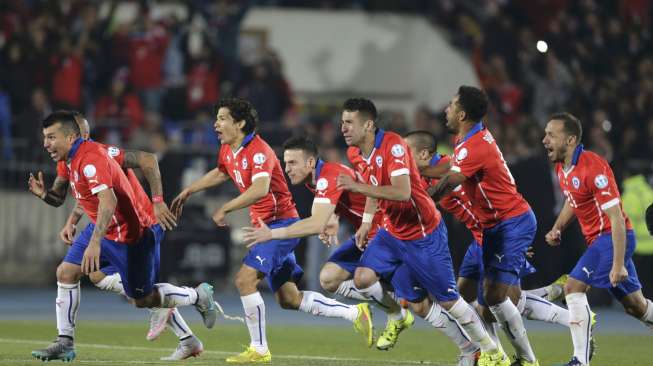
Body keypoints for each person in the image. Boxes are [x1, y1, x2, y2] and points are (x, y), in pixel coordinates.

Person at [242, 136, 479, 363]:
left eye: (292, 162)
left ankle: (468, 346)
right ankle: (396, 312)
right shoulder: (318, 179)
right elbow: (345, 199)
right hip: (366, 236)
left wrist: (271, 234)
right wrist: (333, 217)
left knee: (419, 304)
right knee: (329, 278)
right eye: (285, 163)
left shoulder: (329, 175)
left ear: (311, 162)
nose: (287, 169)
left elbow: (318, 221)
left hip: (388, 234)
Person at [170, 98, 372, 364]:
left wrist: (226, 207)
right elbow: (221, 172)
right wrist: (189, 190)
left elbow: (260, 188)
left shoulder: (258, 151)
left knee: (244, 280)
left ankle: (259, 349)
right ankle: (355, 313)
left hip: (281, 224)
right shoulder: (229, 150)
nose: (215, 124)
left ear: (240, 123)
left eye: (222, 118)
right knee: (289, 298)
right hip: (264, 227)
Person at [30, 111, 217, 362]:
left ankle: (196, 296)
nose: (46, 144)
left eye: (51, 137)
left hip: (131, 233)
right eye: (45, 138)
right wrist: (51, 201)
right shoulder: (67, 160)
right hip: (104, 226)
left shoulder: (94, 157)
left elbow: (111, 197)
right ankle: (65, 341)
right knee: (69, 272)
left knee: (142, 298)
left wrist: (157, 201)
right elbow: (71, 195)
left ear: (73, 137)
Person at [335, 98, 510, 366]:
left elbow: (402, 192)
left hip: (423, 234)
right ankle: (400, 318)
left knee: (451, 302)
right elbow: (374, 184)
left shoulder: (393, 145)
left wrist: (357, 189)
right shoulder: (356, 153)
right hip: (392, 233)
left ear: (368, 125)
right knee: (363, 278)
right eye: (342, 122)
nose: (343, 128)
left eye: (349, 122)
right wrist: (368, 221)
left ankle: (492, 352)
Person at [405, 130, 576, 353]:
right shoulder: (424, 176)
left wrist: (512, 240)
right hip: (479, 240)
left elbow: (487, 200)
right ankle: (549, 296)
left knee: (502, 302)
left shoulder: (453, 169)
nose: (402, 159)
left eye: (406, 153)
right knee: (469, 303)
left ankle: (573, 320)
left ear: (424, 155)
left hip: (495, 236)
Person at [431, 87, 539, 366]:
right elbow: (450, 171)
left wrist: (424, 200)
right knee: (465, 294)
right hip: (491, 227)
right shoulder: (466, 139)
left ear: (462, 113)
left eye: (452, 105)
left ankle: (525, 360)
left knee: (493, 296)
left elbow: (451, 181)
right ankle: (489, 353)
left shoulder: (474, 144)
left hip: (510, 223)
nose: (447, 109)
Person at [542, 112, 653, 366]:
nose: (544, 139)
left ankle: (580, 361)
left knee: (572, 288)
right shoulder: (563, 168)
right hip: (599, 242)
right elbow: (574, 200)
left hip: (611, 239)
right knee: (636, 306)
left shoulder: (594, 166)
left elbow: (616, 218)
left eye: (551, 134)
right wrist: (558, 227)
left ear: (570, 140)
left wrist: (617, 264)